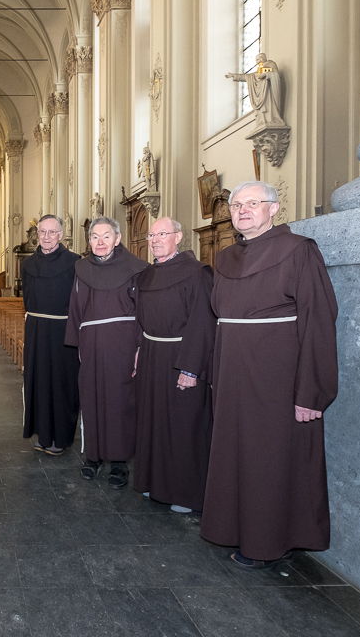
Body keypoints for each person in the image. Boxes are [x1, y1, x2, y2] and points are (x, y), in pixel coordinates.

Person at [201, 180, 338, 569]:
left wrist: (312, 392)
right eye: (236, 205)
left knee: (270, 459)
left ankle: (267, 542)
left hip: (277, 379)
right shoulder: (225, 259)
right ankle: (231, 528)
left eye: (252, 203)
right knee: (234, 455)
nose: (242, 210)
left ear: (275, 208)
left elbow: (319, 321)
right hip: (231, 376)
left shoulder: (299, 251)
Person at [133, 217, 216, 514]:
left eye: (162, 234)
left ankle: (185, 492)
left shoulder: (198, 273)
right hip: (152, 355)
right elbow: (139, 320)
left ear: (178, 237)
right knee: (152, 421)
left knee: (183, 425)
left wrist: (191, 368)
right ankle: (153, 481)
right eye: (151, 235)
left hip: (182, 356)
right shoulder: (146, 276)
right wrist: (138, 350)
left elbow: (204, 323)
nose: (154, 240)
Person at [64, 217, 147, 487]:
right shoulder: (81, 268)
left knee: (120, 400)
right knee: (91, 397)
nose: (100, 242)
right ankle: (93, 456)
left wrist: (138, 346)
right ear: (88, 241)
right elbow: (75, 307)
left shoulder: (135, 268)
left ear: (117, 239)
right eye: (95, 237)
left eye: (106, 236)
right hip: (90, 343)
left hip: (122, 343)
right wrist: (77, 342)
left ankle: (120, 462)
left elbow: (142, 312)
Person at [21, 214, 81, 454]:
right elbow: (27, 298)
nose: (46, 236)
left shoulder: (75, 262)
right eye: (42, 232)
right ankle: (43, 434)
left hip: (63, 332)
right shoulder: (27, 264)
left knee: (62, 382)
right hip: (36, 330)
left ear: (61, 234)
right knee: (38, 380)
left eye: (52, 232)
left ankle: (62, 436)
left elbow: (78, 302)